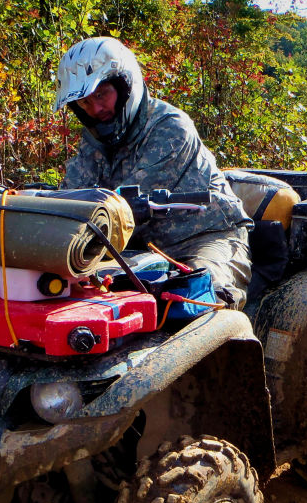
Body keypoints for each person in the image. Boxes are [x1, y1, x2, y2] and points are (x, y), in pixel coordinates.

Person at [54, 36, 252, 310]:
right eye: (85, 103)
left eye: (101, 95)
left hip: (204, 238)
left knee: (199, 298)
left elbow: (119, 209)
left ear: (125, 86)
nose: (96, 109)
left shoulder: (170, 128)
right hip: (139, 250)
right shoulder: (93, 144)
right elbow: (72, 201)